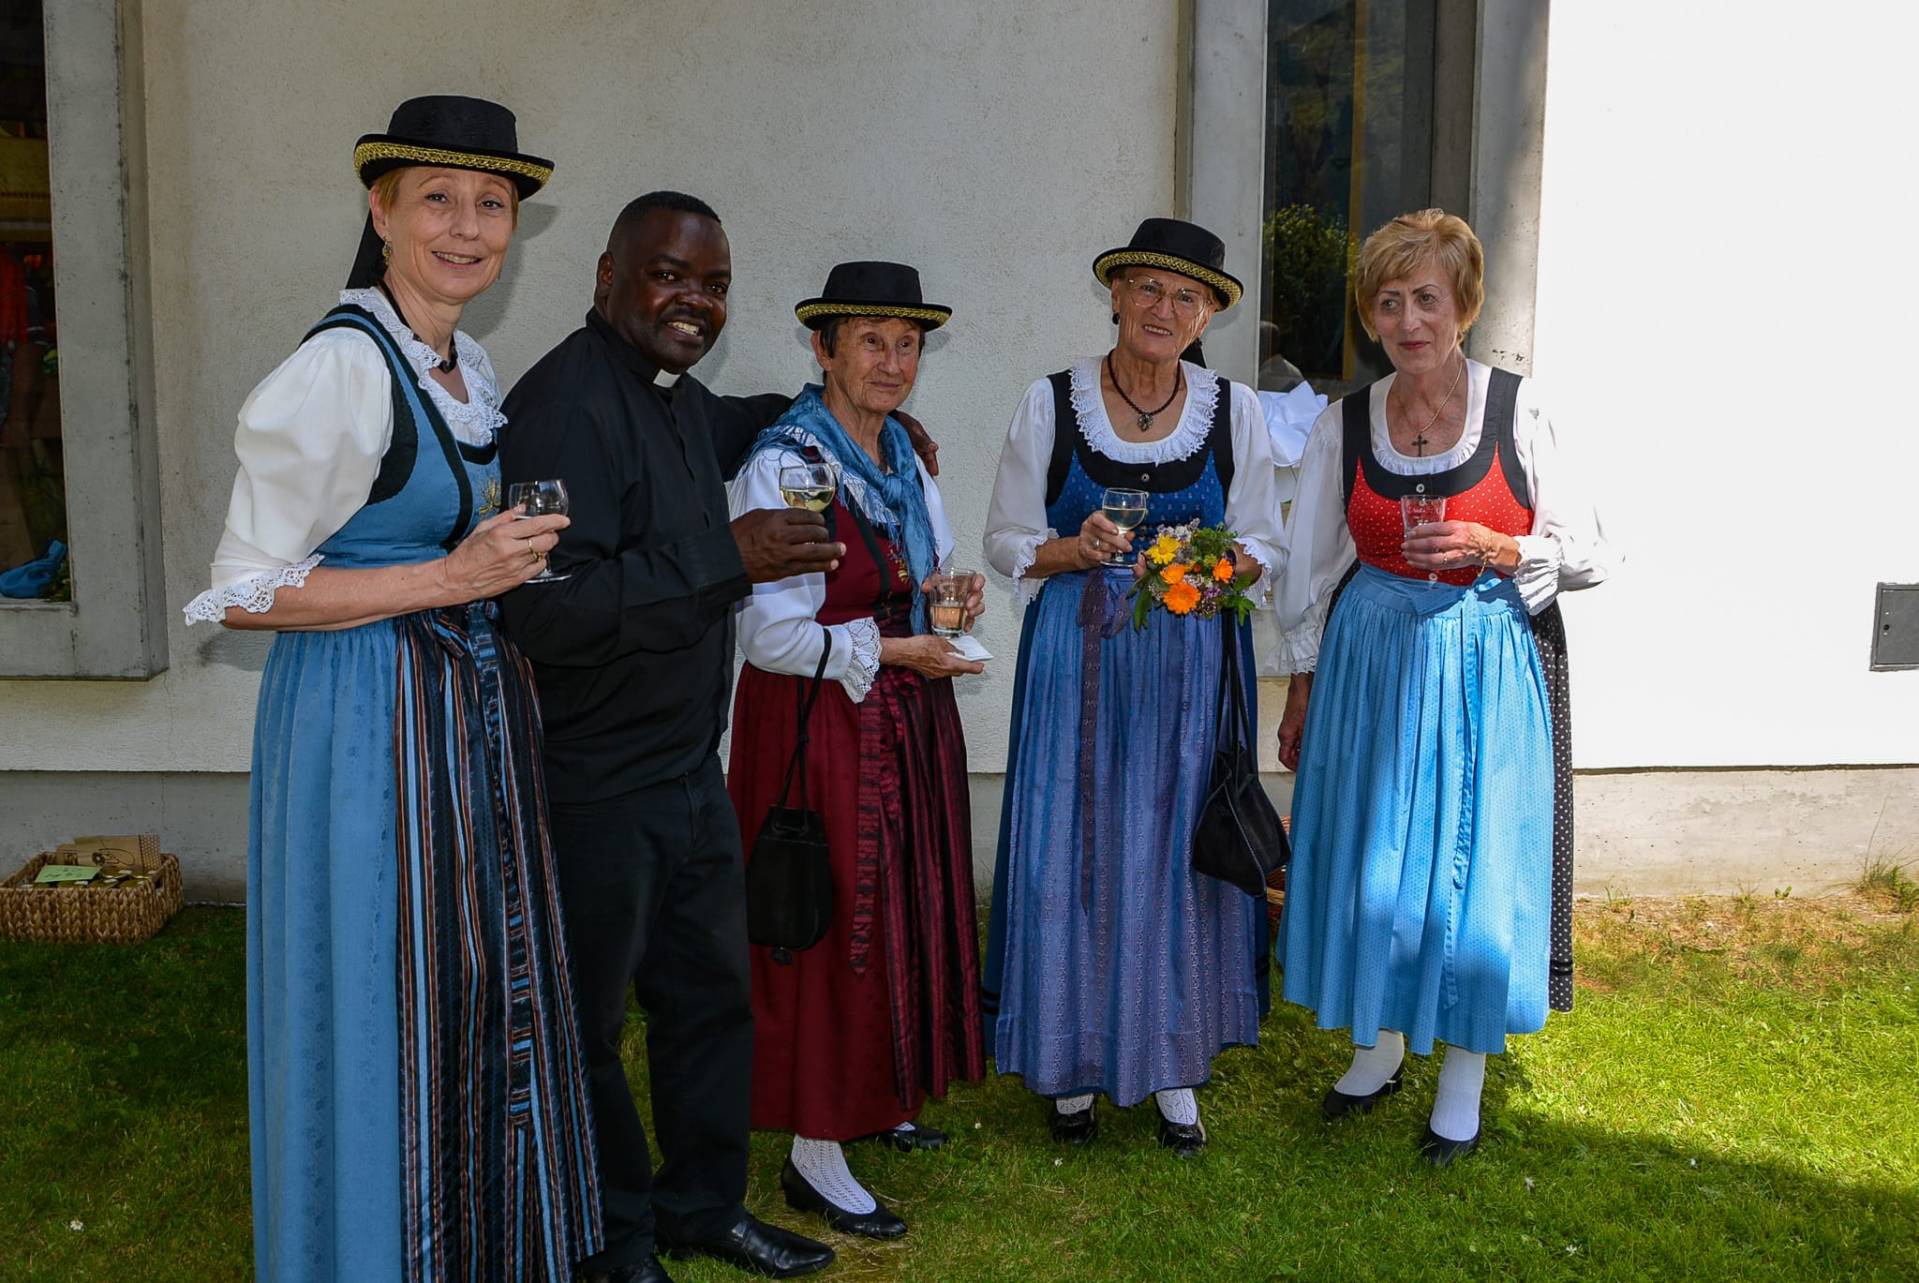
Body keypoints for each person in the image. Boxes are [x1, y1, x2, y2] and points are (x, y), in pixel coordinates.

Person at [183, 97, 600, 1281]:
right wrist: (451, 576)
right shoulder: (338, 366)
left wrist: (491, 569)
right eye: (437, 200)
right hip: (362, 721)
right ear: (380, 210)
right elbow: (239, 591)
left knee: (464, 980)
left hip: (454, 718)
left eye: (491, 205)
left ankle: (467, 1245)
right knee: (381, 985)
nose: (466, 228)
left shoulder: (460, 363)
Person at [497, 199, 938, 1283]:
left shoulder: (673, 393)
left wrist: (849, 416)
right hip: (595, 777)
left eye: (713, 284)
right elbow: (546, 611)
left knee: (708, 1001)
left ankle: (701, 1205)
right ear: (607, 276)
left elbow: (735, 416)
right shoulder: (561, 410)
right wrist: (723, 557)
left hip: (688, 765)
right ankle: (611, 1239)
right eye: (668, 275)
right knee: (591, 1026)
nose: (693, 300)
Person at [1273, 208, 1614, 1165]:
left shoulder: (1519, 410)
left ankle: (1462, 1075)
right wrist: (1300, 688)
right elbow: (1308, 569)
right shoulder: (1345, 422)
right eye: (1387, 302)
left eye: (1426, 298)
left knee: (1471, 860)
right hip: (1370, 659)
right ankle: (1377, 1046)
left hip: (1478, 658)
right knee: (1373, 856)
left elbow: (1591, 549)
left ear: (1463, 305)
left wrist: (1499, 544)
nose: (1407, 320)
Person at [981, 218, 1283, 1155]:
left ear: (1206, 317)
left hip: (1188, 662)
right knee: (1075, 842)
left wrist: (1215, 566)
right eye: (1148, 287)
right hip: (1078, 653)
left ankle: (1173, 1060)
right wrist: (1068, 549)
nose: (1164, 308)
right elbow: (1003, 538)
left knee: (1172, 845)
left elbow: (1264, 542)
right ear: (1114, 294)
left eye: (1186, 296)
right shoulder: (1050, 400)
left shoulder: (1233, 411)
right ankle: (1070, 1058)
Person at [727, 262, 987, 1239]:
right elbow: (769, 635)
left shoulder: (901, 451)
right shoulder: (790, 465)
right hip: (817, 726)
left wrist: (949, 600)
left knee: (902, 907)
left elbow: (927, 568)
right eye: (870, 341)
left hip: (900, 712)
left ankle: (880, 1092)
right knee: (832, 919)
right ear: (822, 349)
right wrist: (895, 648)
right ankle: (814, 1149)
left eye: (906, 343)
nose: (891, 361)